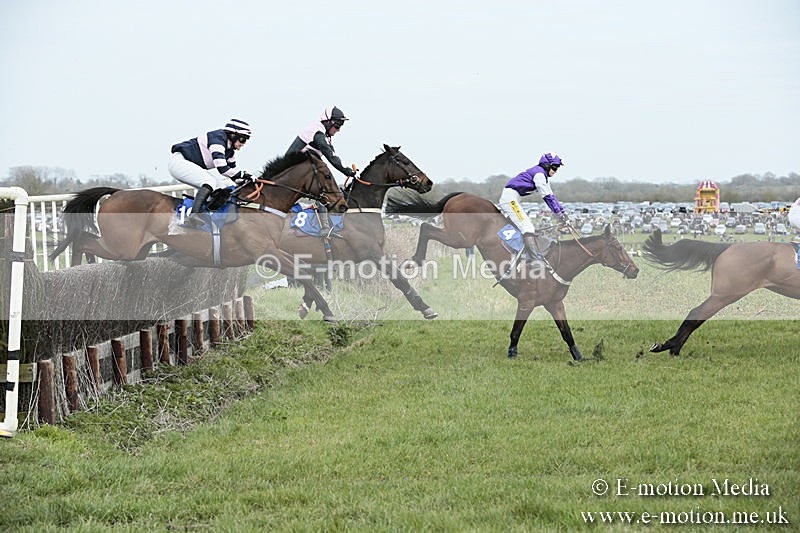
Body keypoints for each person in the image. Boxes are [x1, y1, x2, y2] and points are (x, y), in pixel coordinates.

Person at [286, 106, 357, 234]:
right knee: (325, 188)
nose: (338, 130)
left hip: (305, 169)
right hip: (294, 170)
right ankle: (325, 228)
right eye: (337, 126)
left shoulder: (325, 135)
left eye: (340, 127)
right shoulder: (317, 131)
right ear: (328, 122)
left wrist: (346, 170)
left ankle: (326, 225)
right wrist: (346, 171)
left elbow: (334, 155)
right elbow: (330, 156)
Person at [169, 118, 253, 219]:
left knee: (222, 189)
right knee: (209, 182)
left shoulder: (230, 152)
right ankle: (194, 215)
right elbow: (222, 168)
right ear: (233, 134)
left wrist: (249, 181)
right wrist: (242, 174)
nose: (243, 144)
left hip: (189, 164)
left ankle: (208, 217)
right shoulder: (218, 139)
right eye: (242, 139)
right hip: (179, 163)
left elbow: (233, 175)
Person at [499, 152, 568, 257]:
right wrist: (559, 214)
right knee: (528, 228)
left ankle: (519, 253)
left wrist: (562, 213)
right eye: (554, 168)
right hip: (510, 199)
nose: (555, 171)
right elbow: (547, 197)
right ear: (547, 165)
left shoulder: (542, 175)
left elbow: (551, 196)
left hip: (513, 198)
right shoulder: (539, 174)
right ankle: (535, 260)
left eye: (557, 168)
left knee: (527, 227)